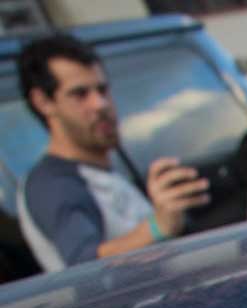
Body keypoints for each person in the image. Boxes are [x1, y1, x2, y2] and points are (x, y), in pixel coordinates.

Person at [16, 33, 207, 273]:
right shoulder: (53, 185)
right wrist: (157, 227)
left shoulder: (98, 171)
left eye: (102, 90)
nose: (100, 104)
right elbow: (86, 265)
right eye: (80, 94)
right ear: (43, 102)